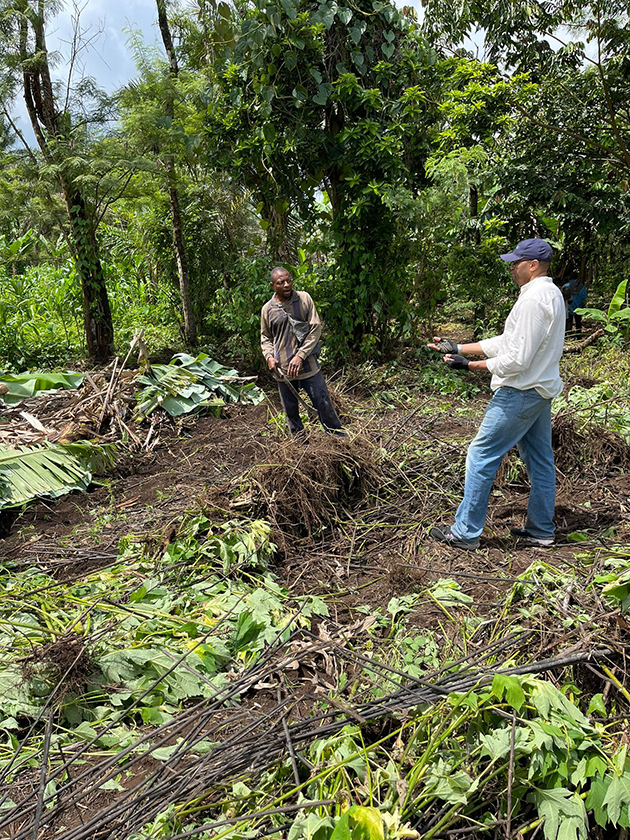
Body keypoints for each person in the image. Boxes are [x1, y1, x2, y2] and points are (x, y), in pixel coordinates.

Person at [428, 238, 565, 549]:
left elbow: (517, 359)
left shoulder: (533, 301)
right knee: (540, 461)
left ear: (533, 265)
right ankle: (541, 530)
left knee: (480, 454)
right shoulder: (550, 294)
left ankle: (465, 532)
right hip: (539, 391)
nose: (512, 267)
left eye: (517, 262)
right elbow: (509, 340)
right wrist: (459, 346)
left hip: (520, 392)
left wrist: (470, 366)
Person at [260, 266, 344, 435]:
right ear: (272, 286)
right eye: (281, 282)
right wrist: (269, 357)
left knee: (322, 402)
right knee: (291, 410)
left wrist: (300, 355)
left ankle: (338, 438)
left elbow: (315, 329)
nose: (286, 285)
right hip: (283, 370)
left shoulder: (304, 299)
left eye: (288, 280)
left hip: (308, 366)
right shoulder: (267, 309)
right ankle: (299, 443)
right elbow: (266, 337)